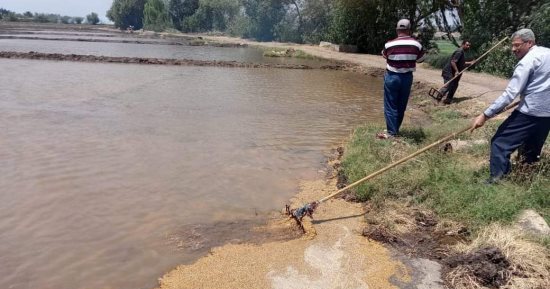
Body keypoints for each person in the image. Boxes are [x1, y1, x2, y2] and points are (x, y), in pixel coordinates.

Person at [470, 28, 550, 183]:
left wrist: (485, 115)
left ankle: (497, 179)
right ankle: (525, 179)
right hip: (547, 114)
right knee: (531, 147)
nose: (513, 49)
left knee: (500, 143)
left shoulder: (527, 61)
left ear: (529, 43)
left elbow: (510, 94)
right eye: (513, 45)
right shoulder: (548, 53)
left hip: (529, 112)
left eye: (517, 45)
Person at [378, 19, 425, 139]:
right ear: (409, 30)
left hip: (392, 76)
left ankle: (392, 132)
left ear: (397, 30)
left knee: (390, 105)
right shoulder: (417, 44)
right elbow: (420, 59)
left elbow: (384, 55)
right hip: (407, 78)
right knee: (401, 105)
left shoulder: (389, 44)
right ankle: (394, 130)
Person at [440, 40, 473, 104]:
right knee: (448, 86)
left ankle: (448, 100)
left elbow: (461, 63)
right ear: (463, 44)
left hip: (453, 72)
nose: (468, 47)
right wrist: (457, 71)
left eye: (469, 45)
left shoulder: (461, 52)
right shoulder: (459, 51)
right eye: (467, 45)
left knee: (454, 85)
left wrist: (470, 63)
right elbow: (453, 62)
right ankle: (438, 98)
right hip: (449, 72)